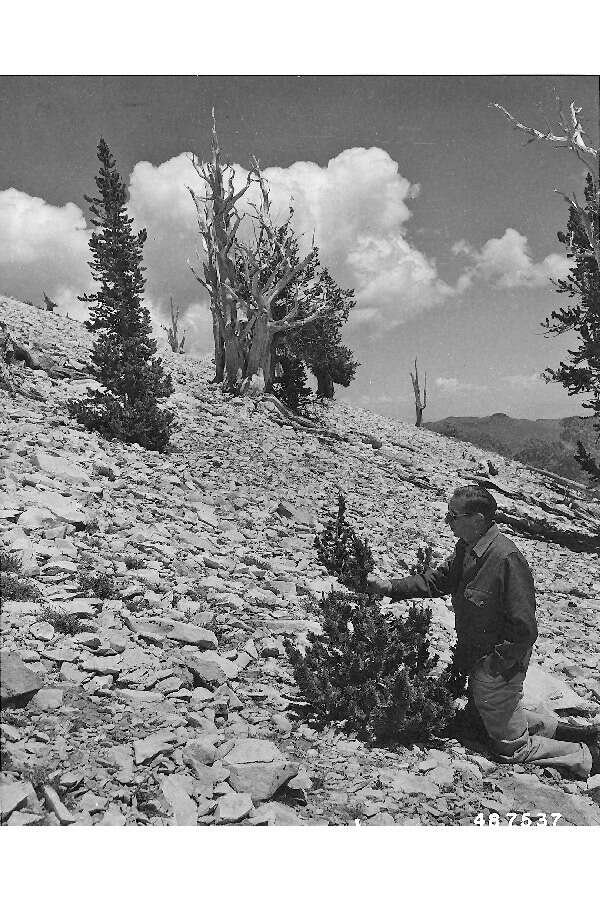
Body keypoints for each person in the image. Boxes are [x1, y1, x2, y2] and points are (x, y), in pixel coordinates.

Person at [366, 484, 599, 780]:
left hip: (497, 668)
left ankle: (587, 756)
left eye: (453, 516)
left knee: (511, 749)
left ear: (477, 519)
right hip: (476, 663)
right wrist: (389, 586)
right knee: (479, 726)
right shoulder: (468, 547)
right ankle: (565, 731)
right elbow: (437, 581)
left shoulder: (506, 559)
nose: (447, 522)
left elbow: (525, 630)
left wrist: (494, 667)